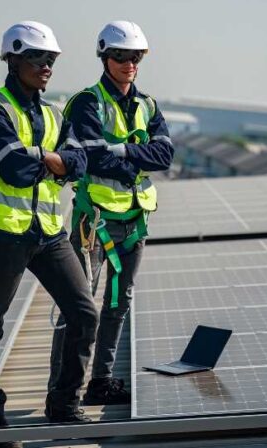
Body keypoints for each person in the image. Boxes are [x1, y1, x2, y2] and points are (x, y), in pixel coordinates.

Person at [0, 21, 98, 448]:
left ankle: (63, 405)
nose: (47, 67)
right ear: (13, 58)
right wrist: (52, 158)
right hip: (3, 233)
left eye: (52, 60)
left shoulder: (55, 113)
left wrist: (44, 156)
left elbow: (80, 164)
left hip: (48, 233)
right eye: (39, 58)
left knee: (84, 313)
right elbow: (15, 171)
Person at [47, 21, 174, 405]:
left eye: (136, 56)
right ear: (105, 57)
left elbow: (165, 155)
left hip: (134, 221)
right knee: (78, 305)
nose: (129, 63)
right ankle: (61, 387)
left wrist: (121, 152)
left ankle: (100, 381)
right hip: (95, 222)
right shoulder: (87, 103)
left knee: (119, 303)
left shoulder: (148, 105)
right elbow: (93, 157)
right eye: (121, 55)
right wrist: (136, 155)